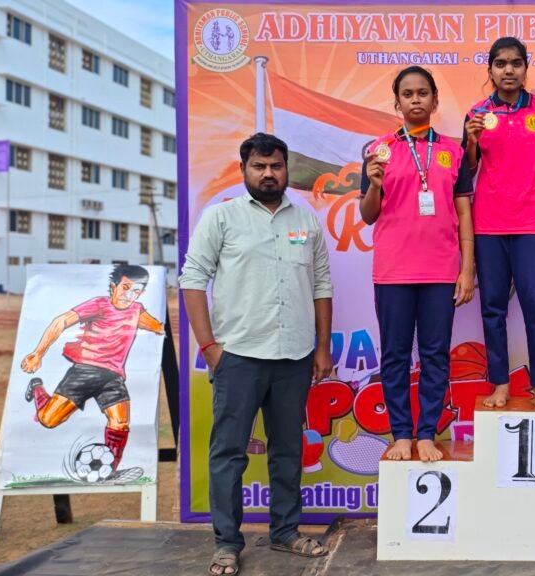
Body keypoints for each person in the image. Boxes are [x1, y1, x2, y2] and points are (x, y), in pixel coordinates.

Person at [180, 133, 333, 575]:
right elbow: (192, 280)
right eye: (259, 166)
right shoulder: (221, 218)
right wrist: (210, 347)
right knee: (229, 452)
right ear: (244, 169)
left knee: (288, 449)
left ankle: (285, 532)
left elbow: (322, 285)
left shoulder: (306, 221)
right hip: (239, 356)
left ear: (287, 170)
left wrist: (322, 348)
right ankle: (227, 543)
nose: (268, 173)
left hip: (295, 355)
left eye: (276, 166)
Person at [361, 66, 475, 463]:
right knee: (394, 355)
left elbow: (464, 213)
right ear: (396, 102)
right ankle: (402, 434)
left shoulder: (454, 151)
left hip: (440, 271)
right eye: (407, 93)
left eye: (422, 92)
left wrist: (467, 268)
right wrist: (374, 184)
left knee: (435, 354)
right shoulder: (379, 150)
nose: (415, 99)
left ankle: (427, 431)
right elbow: (368, 215)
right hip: (393, 272)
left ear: (434, 101)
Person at [463, 36, 535, 409]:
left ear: (526, 67)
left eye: (516, 63)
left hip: (533, 224)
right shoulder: (476, 113)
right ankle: (500, 384)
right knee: (492, 308)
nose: (509, 70)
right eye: (501, 63)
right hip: (488, 225)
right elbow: (468, 170)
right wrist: (471, 141)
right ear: (489, 69)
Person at [22, 264, 164, 476]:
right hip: (85, 371)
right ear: (113, 286)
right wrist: (38, 353)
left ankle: (109, 470)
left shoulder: (137, 311)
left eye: (136, 291)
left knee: (120, 422)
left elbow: (160, 327)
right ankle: (37, 389)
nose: (129, 295)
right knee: (49, 420)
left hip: (113, 377)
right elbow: (60, 321)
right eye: (125, 288)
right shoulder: (99, 304)